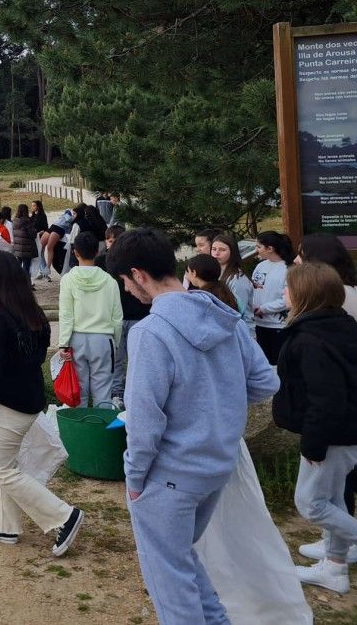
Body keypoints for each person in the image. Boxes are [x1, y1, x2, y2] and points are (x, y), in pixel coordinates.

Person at [106, 227, 279, 624]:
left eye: (125, 283)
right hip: (216, 465)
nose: (128, 291)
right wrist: (219, 405)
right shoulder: (225, 317)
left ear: (139, 275)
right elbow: (266, 382)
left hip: (169, 475)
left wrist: (133, 478)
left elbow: (145, 422)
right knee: (181, 558)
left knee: (169, 581)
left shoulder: (151, 332)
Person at [0, 250, 85, 555]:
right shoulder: (32, 314)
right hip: (27, 399)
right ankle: (2, 524)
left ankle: (63, 516)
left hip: (6, 404)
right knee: (1, 464)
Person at [271, 262, 357, 595]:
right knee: (333, 501)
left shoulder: (310, 340)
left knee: (310, 502)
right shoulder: (342, 324)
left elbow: (327, 399)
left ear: (304, 294)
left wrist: (314, 444)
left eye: (288, 287)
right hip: (346, 431)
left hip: (332, 436)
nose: (283, 293)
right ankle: (335, 568)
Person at [58, 231, 124, 408]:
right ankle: (101, 432)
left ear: (75, 252)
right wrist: (115, 343)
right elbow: (117, 317)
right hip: (103, 339)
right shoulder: (109, 281)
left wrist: (63, 342)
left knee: (78, 391)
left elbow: (66, 314)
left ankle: (79, 432)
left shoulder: (68, 280)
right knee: (103, 391)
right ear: (97, 251)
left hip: (76, 339)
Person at [95, 225, 150, 408]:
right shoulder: (102, 261)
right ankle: (117, 393)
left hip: (138, 315)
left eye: (117, 241)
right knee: (116, 358)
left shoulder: (135, 260)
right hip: (116, 317)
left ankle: (138, 391)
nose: (113, 245)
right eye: (110, 241)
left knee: (137, 358)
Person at [251, 230, 294, 365]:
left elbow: (289, 299)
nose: (256, 250)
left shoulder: (288, 269)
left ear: (270, 249)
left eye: (259, 247)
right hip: (259, 323)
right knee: (264, 364)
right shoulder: (260, 266)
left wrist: (264, 308)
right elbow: (253, 290)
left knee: (278, 364)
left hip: (278, 325)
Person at [299, 233, 357, 319]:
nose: (295, 260)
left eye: (301, 255)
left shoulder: (336, 294)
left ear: (317, 260)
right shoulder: (343, 289)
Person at [210, 232, 253, 326]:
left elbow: (239, 309)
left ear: (232, 252)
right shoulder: (214, 273)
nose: (216, 253)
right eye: (213, 249)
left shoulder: (238, 278)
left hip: (242, 330)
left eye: (222, 250)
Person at [37, 208, 75, 282]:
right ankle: (43, 268)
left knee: (49, 247)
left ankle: (48, 268)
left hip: (60, 228)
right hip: (53, 226)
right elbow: (67, 218)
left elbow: (68, 220)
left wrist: (72, 217)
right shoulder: (68, 211)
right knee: (40, 247)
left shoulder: (72, 215)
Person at [11, 203, 38, 278]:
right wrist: (35, 231)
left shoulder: (15, 220)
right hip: (26, 248)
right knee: (26, 267)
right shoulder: (27, 221)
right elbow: (33, 234)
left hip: (18, 247)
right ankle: (26, 284)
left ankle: (17, 282)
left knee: (18, 266)